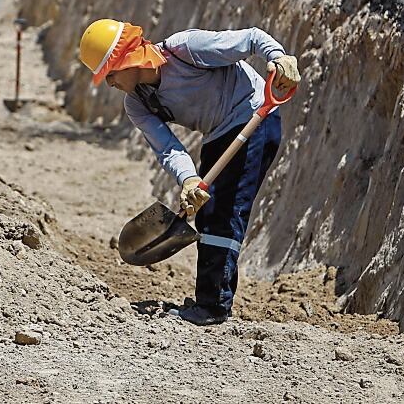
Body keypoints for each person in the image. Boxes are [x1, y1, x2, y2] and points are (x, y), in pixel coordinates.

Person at [78, 19, 301, 325]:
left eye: (110, 74)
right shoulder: (137, 104)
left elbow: (250, 39)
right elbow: (168, 148)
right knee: (210, 214)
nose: (109, 83)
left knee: (223, 214)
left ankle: (212, 307)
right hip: (218, 135)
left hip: (254, 119)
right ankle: (211, 301)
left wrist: (278, 57)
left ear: (128, 61)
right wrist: (189, 179)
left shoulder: (185, 49)